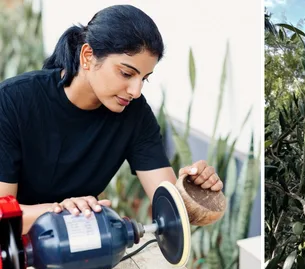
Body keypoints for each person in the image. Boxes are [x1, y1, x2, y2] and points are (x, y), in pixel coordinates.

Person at [0, 4, 223, 234]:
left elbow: (171, 210)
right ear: (88, 56)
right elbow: (2, 216)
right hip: (14, 247)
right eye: (126, 74)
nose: (136, 91)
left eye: (144, 78)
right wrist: (57, 211)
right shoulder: (12, 101)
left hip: (81, 244)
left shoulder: (135, 114)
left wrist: (194, 189)